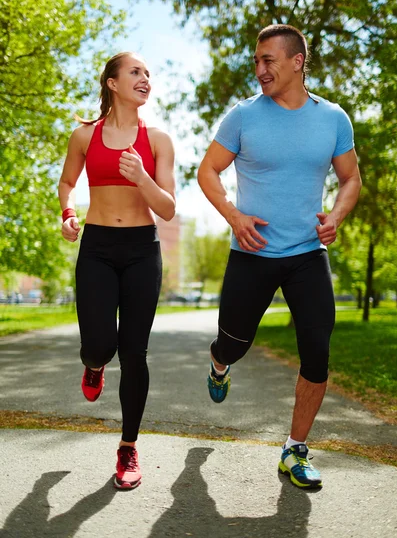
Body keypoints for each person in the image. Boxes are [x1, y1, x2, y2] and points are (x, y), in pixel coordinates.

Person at [197, 24, 362, 489]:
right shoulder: (244, 116)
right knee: (234, 343)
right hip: (252, 250)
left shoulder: (333, 119)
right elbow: (207, 170)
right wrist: (234, 215)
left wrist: (337, 216)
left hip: (308, 252)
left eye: (268, 60)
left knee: (317, 350)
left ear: (297, 62)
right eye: (256, 60)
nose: (259, 69)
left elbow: (350, 178)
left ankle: (295, 450)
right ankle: (219, 363)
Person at [58, 52, 175, 490]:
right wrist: (68, 213)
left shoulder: (159, 139)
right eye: (136, 72)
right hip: (98, 249)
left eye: (148, 72)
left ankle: (128, 448)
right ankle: (93, 364)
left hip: (143, 250)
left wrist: (143, 178)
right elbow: (67, 182)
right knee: (98, 346)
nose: (146, 78)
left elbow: (167, 207)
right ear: (112, 83)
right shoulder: (84, 136)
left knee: (135, 353)